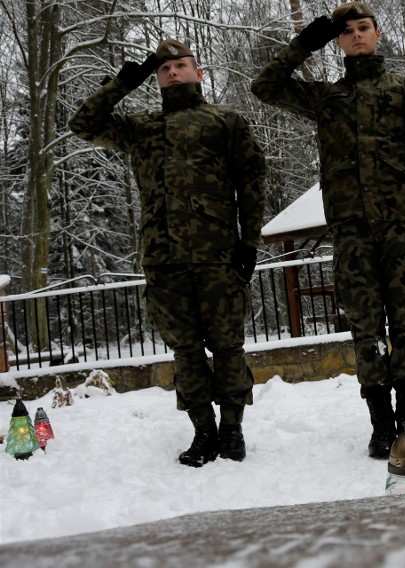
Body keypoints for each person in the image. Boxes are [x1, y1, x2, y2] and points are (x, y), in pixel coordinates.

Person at [251, 2, 405, 459]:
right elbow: (265, 86)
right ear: (339, 41)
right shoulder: (328, 98)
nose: (357, 35)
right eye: (348, 31)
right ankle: (381, 422)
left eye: (364, 28)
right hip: (351, 231)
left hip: (401, 225)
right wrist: (307, 42)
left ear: (378, 35)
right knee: (364, 326)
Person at [69, 39, 267, 466]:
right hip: (163, 259)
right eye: (164, 69)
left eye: (180, 66)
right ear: (156, 79)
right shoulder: (142, 128)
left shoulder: (224, 121)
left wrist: (249, 243)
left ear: (198, 73)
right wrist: (124, 81)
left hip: (218, 256)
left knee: (229, 346)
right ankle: (203, 431)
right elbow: (83, 123)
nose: (172, 73)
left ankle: (232, 431)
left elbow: (251, 186)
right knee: (186, 351)